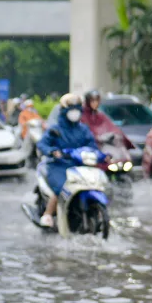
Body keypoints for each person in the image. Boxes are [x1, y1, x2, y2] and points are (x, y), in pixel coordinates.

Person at [36, 93, 97, 229]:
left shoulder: (83, 129)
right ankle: (48, 215)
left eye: (76, 109)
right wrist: (52, 151)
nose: (74, 113)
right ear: (64, 111)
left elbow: (92, 145)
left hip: (79, 165)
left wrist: (99, 155)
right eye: (71, 110)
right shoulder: (55, 130)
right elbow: (42, 144)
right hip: (58, 166)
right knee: (62, 188)